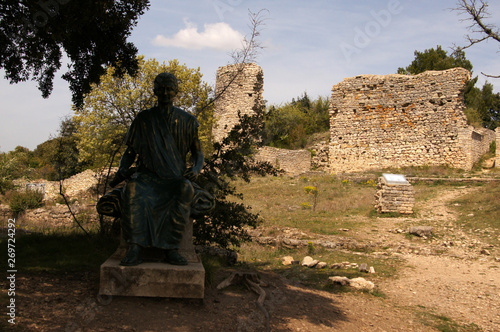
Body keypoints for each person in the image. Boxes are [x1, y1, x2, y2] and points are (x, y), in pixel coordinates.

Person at [107, 72, 204, 266]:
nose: (165, 93)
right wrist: (123, 168)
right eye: (161, 89)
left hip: (174, 178)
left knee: (184, 189)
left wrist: (196, 169)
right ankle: (135, 248)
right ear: (155, 91)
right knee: (133, 189)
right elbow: (130, 152)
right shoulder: (143, 119)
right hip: (147, 177)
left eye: (169, 89)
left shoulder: (188, 121)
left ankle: (171, 249)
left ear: (176, 91)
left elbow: (198, 153)